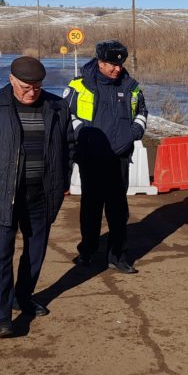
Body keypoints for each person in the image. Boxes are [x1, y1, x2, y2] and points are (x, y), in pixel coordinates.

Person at [0, 56, 72, 338]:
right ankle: (1, 316)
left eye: (36, 86)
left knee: (35, 252)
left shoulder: (56, 106)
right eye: (25, 86)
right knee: (1, 253)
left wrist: (63, 181)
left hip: (42, 194)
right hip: (1, 194)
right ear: (11, 80)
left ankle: (24, 296)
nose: (31, 92)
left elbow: (69, 146)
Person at [64, 39, 147, 274]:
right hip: (92, 157)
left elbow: (142, 111)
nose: (116, 69)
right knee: (91, 207)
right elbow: (66, 115)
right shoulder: (79, 85)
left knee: (118, 209)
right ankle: (87, 252)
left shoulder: (131, 86)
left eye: (120, 65)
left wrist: (134, 133)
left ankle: (118, 255)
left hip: (119, 158)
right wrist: (85, 137)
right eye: (111, 64)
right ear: (100, 62)